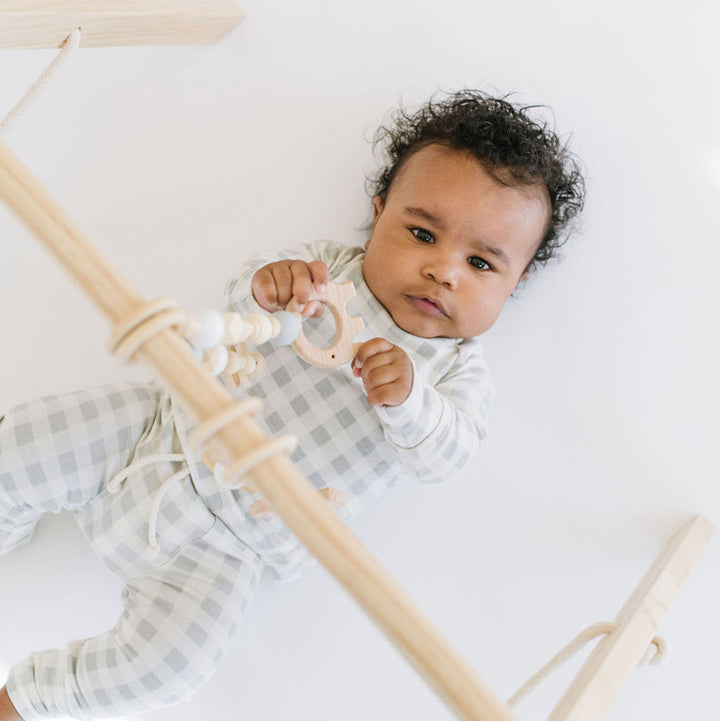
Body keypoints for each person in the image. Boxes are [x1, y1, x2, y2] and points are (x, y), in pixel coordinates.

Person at [0, 90, 585, 720]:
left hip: (236, 542)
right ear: (379, 212)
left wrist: (410, 401)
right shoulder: (330, 272)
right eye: (422, 234)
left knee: (172, 667)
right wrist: (267, 287)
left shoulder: (454, 373)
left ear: (515, 281)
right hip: (158, 428)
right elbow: (243, 303)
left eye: (479, 262)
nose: (443, 271)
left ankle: (30, 700)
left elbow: (447, 456)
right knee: (18, 446)